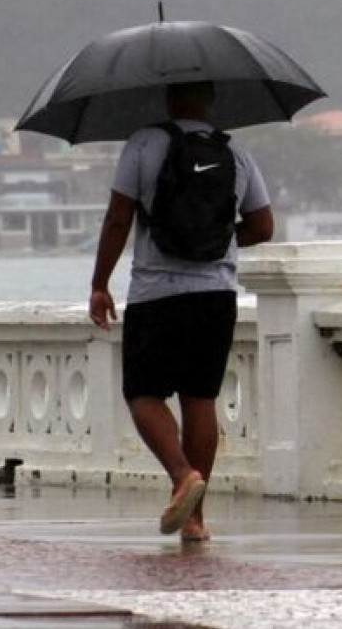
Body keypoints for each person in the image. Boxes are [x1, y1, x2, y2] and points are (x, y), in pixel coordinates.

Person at [88, 81, 274, 541]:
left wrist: (99, 283)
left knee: (143, 394)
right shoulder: (237, 153)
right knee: (200, 399)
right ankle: (195, 520)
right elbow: (263, 226)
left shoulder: (144, 144)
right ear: (212, 99)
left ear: (169, 98)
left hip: (156, 292)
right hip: (215, 294)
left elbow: (118, 217)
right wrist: (219, 239)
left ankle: (181, 476)